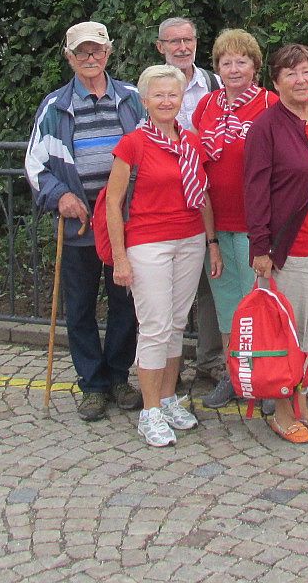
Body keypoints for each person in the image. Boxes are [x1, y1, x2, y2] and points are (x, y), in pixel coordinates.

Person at [25, 21, 143, 421]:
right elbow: (35, 162)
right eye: (81, 53)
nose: (90, 59)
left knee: (125, 304)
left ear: (108, 53)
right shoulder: (55, 106)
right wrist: (60, 196)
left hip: (124, 222)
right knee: (79, 307)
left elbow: (154, 149)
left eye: (96, 51)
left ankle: (118, 377)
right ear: (69, 57)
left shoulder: (131, 99)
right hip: (78, 223)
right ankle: (91, 385)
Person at [107, 65, 222, 447]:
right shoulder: (133, 144)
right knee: (154, 327)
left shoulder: (190, 140)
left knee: (174, 324)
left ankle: (169, 398)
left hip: (188, 240)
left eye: (173, 94)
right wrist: (120, 259)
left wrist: (211, 242)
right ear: (144, 101)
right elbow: (112, 202)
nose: (166, 101)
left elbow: (202, 195)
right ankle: (150, 410)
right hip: (148, 242)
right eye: (158, 95)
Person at [243, 43, 308, 444]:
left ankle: (305, 404)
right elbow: (255, 191)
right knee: (291, 333)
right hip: (293, 250)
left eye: (306, 71)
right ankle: (283, 411)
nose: (300, 80)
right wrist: (260, 247)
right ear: (275, 82)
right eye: (291, 73)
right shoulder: (266, 127)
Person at [189, 28, 274, 409]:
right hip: (216, 223)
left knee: (259, 302)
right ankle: (233, 376)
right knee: (227, 305)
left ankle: (267, 380)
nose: (234, 68)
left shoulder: (271, 104)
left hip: (256, 224)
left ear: (255, 66)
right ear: (217, 67)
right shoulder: (206, 106)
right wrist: (209, 237)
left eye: (242, 61)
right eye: (227, 62)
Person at [156, 17, 223, 396]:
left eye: (188, 40)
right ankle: (170, 366)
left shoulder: (213, 84)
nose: (182, 47)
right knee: (168, 290)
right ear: (159, 46)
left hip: (208, 198)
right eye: (174, 41)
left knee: (210, 286)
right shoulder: (146, 88)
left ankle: (210, 361)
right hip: (167, 202)